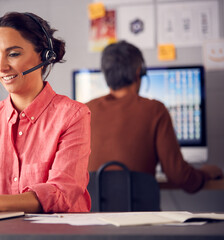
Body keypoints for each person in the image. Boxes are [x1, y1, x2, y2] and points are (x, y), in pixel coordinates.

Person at [0, 12, 91, 214]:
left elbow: (61, 193)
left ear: (43, 55)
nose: (1, 67)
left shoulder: (73, 116)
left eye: (13, 54)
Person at [86, 40, 223, 193]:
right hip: (141, 215)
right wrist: (205, 173)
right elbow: (179, 176)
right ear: (139, 72)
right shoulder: (155, 110)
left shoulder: (85, 110)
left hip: (91, 215)